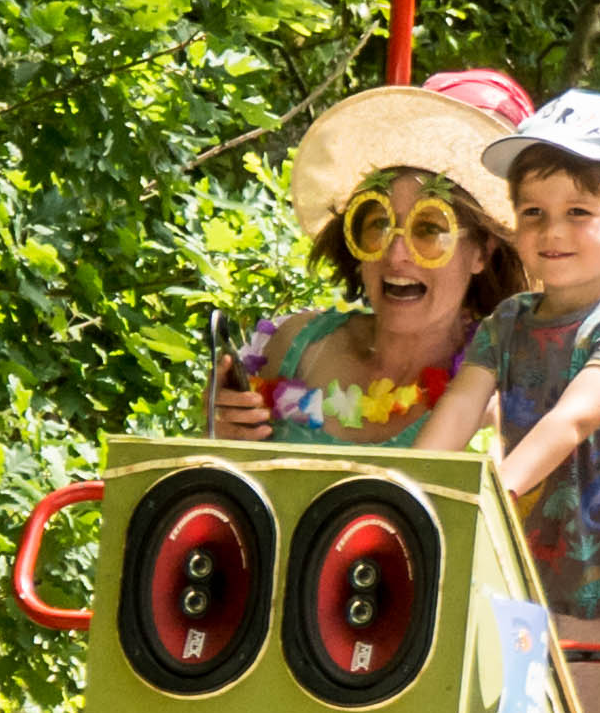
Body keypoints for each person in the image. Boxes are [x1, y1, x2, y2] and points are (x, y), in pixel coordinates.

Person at [421, 90, 600, 713]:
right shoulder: (506, 323)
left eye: (577, 213)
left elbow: (575, 415)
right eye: (533, 213)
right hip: (537, 589)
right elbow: (456, 411)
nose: (552, 232)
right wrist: (409, 487)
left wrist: (493, 492)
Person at [205, 76, 530, 446]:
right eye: (379, 222)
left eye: (429, 229)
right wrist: (222, 435)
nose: (396, 254)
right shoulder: (295, 348)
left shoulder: (496, 402)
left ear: (482, 251)